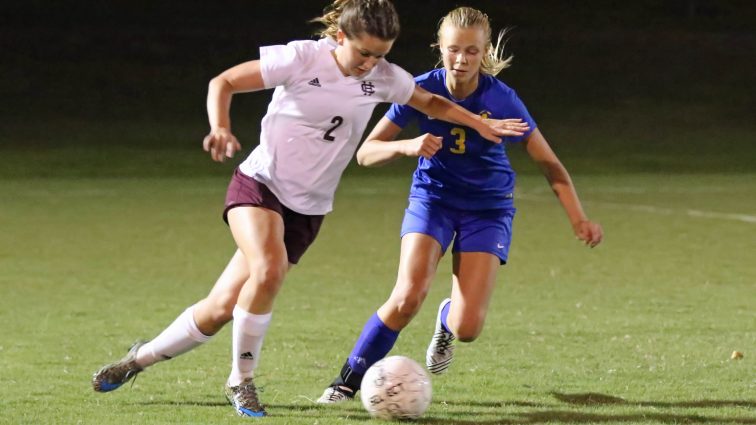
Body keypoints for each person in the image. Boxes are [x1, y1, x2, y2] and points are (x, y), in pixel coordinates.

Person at [90, 0, 528, 418]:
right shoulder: (301, 58)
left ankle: (136, 360)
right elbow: (221, 82)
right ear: (339, 36)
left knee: (222, 305)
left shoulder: (384, 77)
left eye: (380, 56)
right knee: (269, 268)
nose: (369, 65)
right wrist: (220, 126)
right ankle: (241, 380)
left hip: (308, 209)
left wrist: (478, 123)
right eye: (362, 53)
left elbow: (432, 103)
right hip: (260, 185)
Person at [317, 6, 604, 403]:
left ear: (484, 51)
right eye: (454, 49)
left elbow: (549, 164)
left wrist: (579, 218)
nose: (462, 59)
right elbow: (366, 153)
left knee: (467, 328)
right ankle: (346, 382)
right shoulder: (419, 89)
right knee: (406, 297)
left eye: (471, 51)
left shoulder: (502, 99)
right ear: (440, 48)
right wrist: (409, 145)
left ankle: (446, 321)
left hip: (487, 209)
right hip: (432, 200)